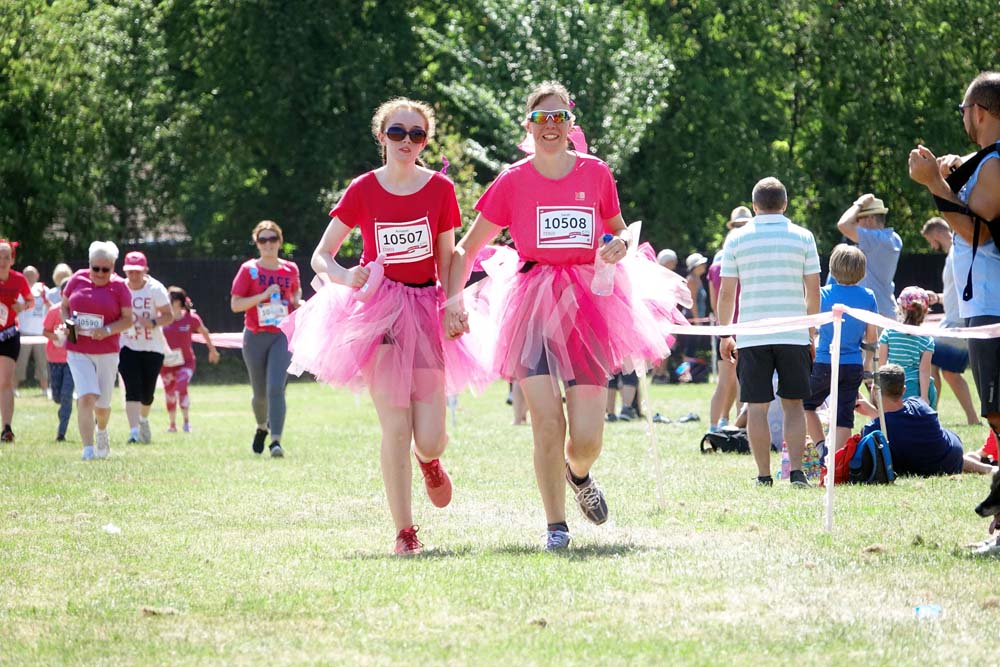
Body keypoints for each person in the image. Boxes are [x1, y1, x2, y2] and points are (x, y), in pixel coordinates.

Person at [446, 81, 684, 550]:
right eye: (542, 119)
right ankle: (556, 525)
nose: (550, 126)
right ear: (528, 126)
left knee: (588, 437)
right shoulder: (512, 180)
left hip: (589, 303)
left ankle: (580, 475)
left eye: (559, 118)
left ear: (571, 125)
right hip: (531, 303)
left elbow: (621, 234)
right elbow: (466, 248)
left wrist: (620, 245)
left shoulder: (596, 174)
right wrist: (453, 300)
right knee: (546, 422)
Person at [282, 97, 488, 556]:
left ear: (425, 142)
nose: (406, 142)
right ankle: (405, 532)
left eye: (416, 135)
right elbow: (321, 254)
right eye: (397, 133)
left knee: (431, 434)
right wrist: (341, 275)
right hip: (378, 309)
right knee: (395, 426)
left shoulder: (439, 189)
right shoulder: (362, 189)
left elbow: (447, 257)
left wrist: (452, 303)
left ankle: (428, 460)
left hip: (425, 307)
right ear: (382, 137)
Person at [909, 72, 1000, 443]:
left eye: (962, 110)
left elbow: (975, 231)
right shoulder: (986, 161)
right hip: (984, 298)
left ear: (978, 112)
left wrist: (933, 182)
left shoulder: (993, 164)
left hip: (991, 300)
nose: (962, 117)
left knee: (995, 406)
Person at [717, 177, 821, 487]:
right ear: (785, 204)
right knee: (794, 406)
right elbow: (813, 292)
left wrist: (725, 334)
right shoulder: (804, 237)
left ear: (754, 206)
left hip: (752, 334)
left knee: (757, 409)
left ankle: (763, 475)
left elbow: (726, 294)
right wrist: (810, 331)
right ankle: (798, 473)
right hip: (793, 334)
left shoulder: (736, 239)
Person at [231, 220, 300, 459]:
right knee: (260, 393)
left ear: (280, 242)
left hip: (281, 335)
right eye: (263, 240)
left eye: (272, 239)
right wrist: (261, 295)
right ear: (257, 243)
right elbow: (236, 304)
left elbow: (295, 293)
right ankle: (262, 426)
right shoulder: (249, 269)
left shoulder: (290, 269)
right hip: (255, 335)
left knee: (275, 387)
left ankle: (276, 441)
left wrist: (298, 302)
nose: (268, 244)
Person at [803, 244, 878, 453]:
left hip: (825, 360)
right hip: (853, 364)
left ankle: (821, 448)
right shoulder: (869, 296)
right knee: (844, 415)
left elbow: (810, 325)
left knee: (806, 405)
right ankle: (836, 461)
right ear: (862, 271)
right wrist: (866, 364)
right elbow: (872, 337)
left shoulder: (822, 294)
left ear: (833, 268)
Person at [62, 241, 133, 460]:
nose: (100, 273)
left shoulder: (120, 287)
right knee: (86, 396)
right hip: (78, 349)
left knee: (102, 405)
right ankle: (88, 449)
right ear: (90, 264)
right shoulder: (76, 279)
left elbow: (128, 319)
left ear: (113, 267)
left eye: (106, 269)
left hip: (107, 351)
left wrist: (107, 330)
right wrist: (67, 324)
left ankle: (101, 430)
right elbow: (64, 306)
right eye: (96, 268)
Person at [859, 364, 995, 475]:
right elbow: (898, 420)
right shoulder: (919, 404)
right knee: (935, 451)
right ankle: (986, 467)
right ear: (904, 390)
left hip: (923, 466)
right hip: (949, 456)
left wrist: (873, 413)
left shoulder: (873, 430)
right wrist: (874, 412)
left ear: (875, 393)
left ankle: (985, 465)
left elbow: (889, 425)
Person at [920, 216, 980, 424]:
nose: (932, 246)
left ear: (936, 234)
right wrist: (938, 298)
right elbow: (956, 293)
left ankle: (969, 417)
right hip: (950, 321)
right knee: (934, 366)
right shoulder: (953, 254)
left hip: (959, 323)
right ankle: (932, 414)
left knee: (948, 371)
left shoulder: (959, 250)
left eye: (930, 241)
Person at [119, 251, 174, 445]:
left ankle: (143, 420)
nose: (133, 276)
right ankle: (133, 432)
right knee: (131, 388)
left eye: (137, 272)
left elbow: (169, 315)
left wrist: (151, 322)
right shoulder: (119, 287)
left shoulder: (155, 288)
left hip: (152, 346)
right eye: (130, 271)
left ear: (145, 270)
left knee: (147, 393)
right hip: (126, 344)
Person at [707, 205, 751, 431]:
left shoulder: (715, 265)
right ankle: (738, 427)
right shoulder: (749, 258)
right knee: (742, 381)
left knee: (725, 382)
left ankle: (716, 425)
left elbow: (717, 302)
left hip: (725, 326)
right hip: (743, 325)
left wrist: (723, 327)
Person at [160, 286, 220, 433]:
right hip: (166, 363)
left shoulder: (190, 318)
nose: (168, 301)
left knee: (181, 385)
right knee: (169, 392)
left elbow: (204, 331)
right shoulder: (161, 317)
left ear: (179, 302)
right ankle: (172, 424)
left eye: (171, 299)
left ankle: (186, 422)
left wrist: (212, 350)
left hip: (186, 361)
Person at [832, 193, 902, 319]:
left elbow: (843, 225)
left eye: (858, 220)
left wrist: (859, 203)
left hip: (873, 313)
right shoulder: (894, 238)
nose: (856, 224)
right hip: (887, 309)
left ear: (870, 219)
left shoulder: (875, 239)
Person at [0, 241, 34, 443]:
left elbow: (31, 302)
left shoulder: (18, 279)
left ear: (12, 259)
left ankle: (6, 428)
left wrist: (22, 306)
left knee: (5, 381)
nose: (2, 261)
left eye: (6, 257)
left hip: (9, 334)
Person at [879, 286, 936, 406]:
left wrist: (879, 387)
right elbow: (924, 370)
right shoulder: (927, 339)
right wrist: (924, 397)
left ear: (900, 308)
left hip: (893, 386)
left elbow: (882, 365)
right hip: (917, 388)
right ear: (925, 311)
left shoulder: (888, 332)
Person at [42, 279, 73, 442]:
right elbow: (45, 331)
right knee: (57, 396)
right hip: (54, 358)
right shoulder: (54, 311)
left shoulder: (75, 314)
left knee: (67, 395)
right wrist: (55, 336)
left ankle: (61, 432)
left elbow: (76, 337)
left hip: (71, 360)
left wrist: (70, 335)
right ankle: (63, 409)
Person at [15, 265, 49, 396]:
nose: (29, 277)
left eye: (32, 274)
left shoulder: (44, 289)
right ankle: (13, 389)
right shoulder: (19, 290)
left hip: (41, 333)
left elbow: (51, 307)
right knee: (20, 362)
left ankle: (45, 390)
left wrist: (45, 299)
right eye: (26, 275)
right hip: (24, 332)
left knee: (42, 363)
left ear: (37, 275)